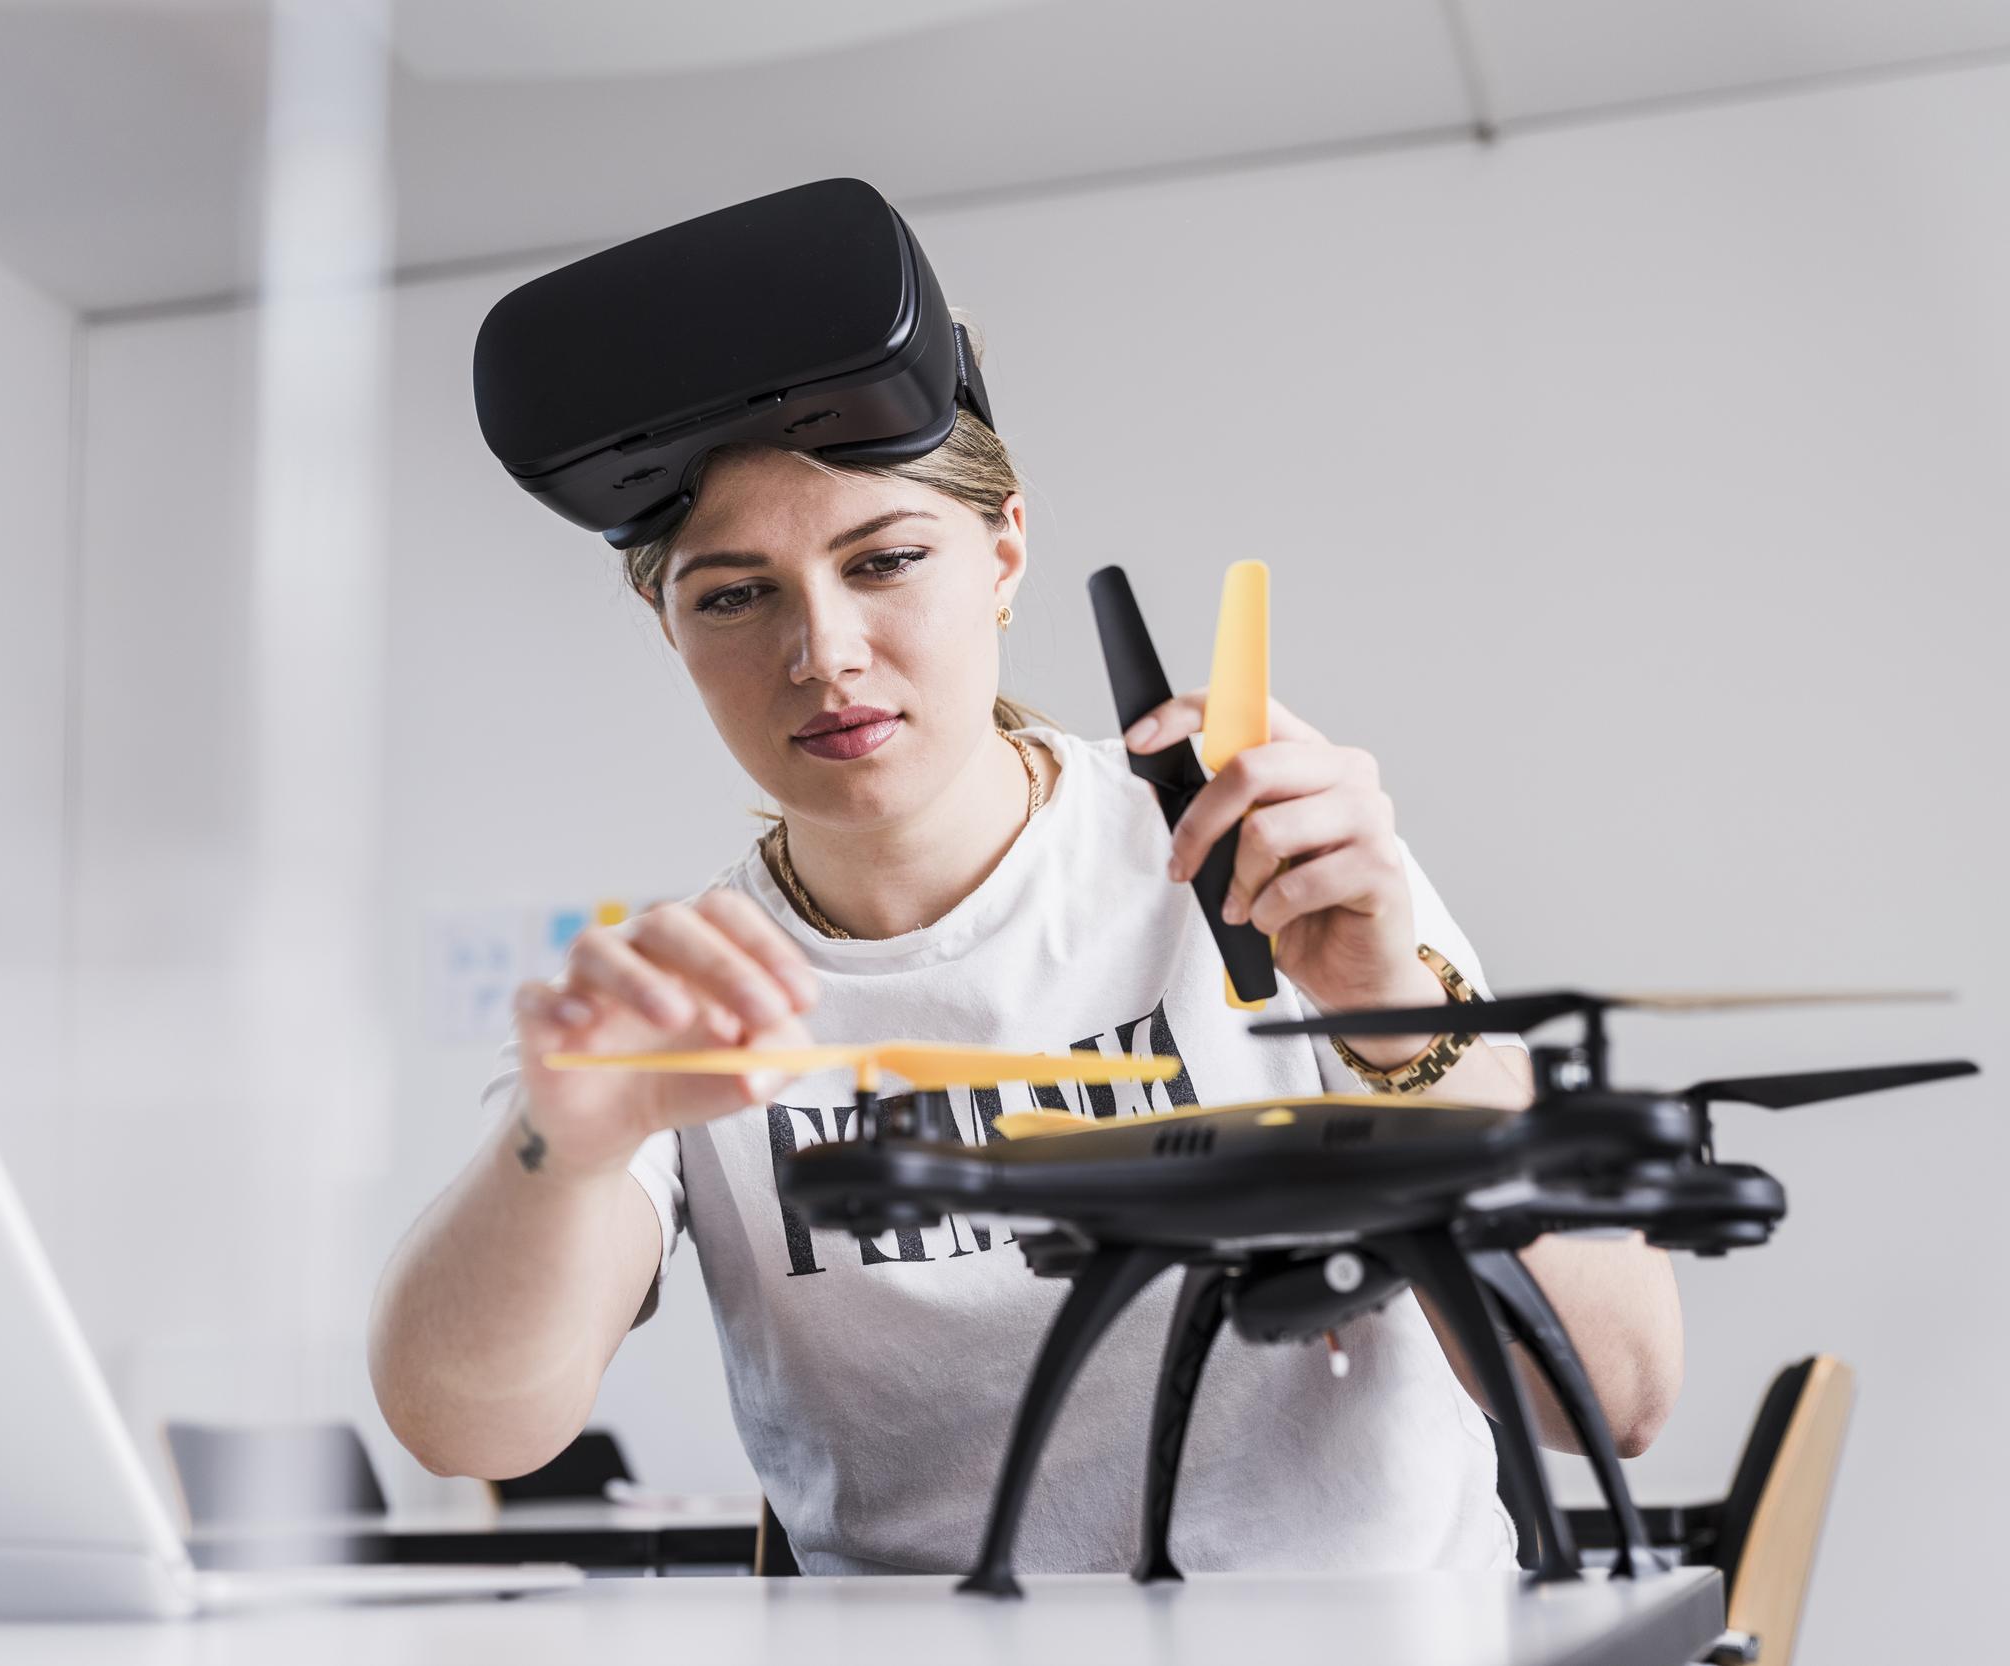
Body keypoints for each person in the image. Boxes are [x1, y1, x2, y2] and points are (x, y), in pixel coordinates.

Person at [367, 325, 1683, 1577]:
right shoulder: (689, 997)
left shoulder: (1262, 852)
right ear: (673, 628)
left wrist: (1387, 1007)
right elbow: (466, 1427)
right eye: (734, 595)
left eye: (882, 561)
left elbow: (1618, 1394)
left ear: (1003, 551)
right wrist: (566, 1141)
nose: (822, 653)